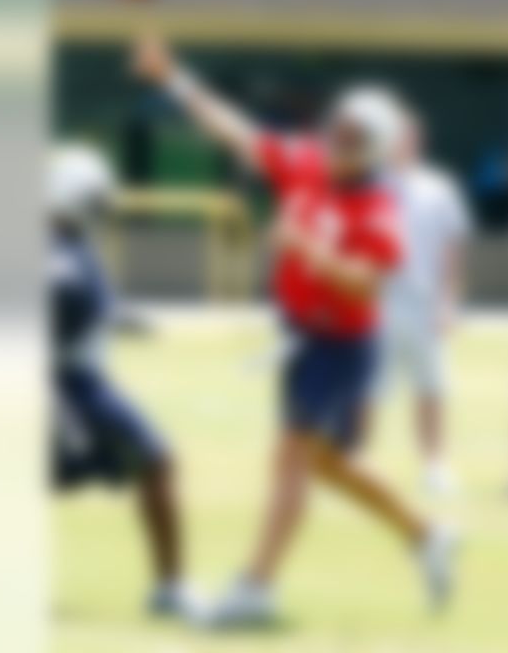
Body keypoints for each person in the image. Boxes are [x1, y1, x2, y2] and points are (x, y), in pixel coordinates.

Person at [130, 32, 458, 627]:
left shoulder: (379, 205)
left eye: (355, 135)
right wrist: (172, 78)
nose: (340, 137)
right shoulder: (306, 160)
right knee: (328, 464)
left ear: (376, 148)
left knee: (291, 460)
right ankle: (426, 535)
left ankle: (256, 587)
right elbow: (235, 130)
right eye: (340, 125)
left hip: (340, 342)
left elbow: (367, 284)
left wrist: (303, 245)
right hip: (301, 334)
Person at [48, 144, 194, 618]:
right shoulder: (58, 261)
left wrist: (122, 317)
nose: (102, 210)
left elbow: (94, 302)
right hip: (72, 386)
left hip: (76, 382)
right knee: (158, 461)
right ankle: (170, 590)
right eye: (95, 199)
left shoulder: (66, 245)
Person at [376, 110, 473, 497]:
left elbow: (452, 248)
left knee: (431, 387)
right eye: (395, 136)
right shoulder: (368, 185)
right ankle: (357, 462)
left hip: (422, 303)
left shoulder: (438, 188)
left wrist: (449, 302)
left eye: (408, 136)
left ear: (417, 141)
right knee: (367, 390)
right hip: (375, 300)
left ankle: (434, 464)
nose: (402, 143)